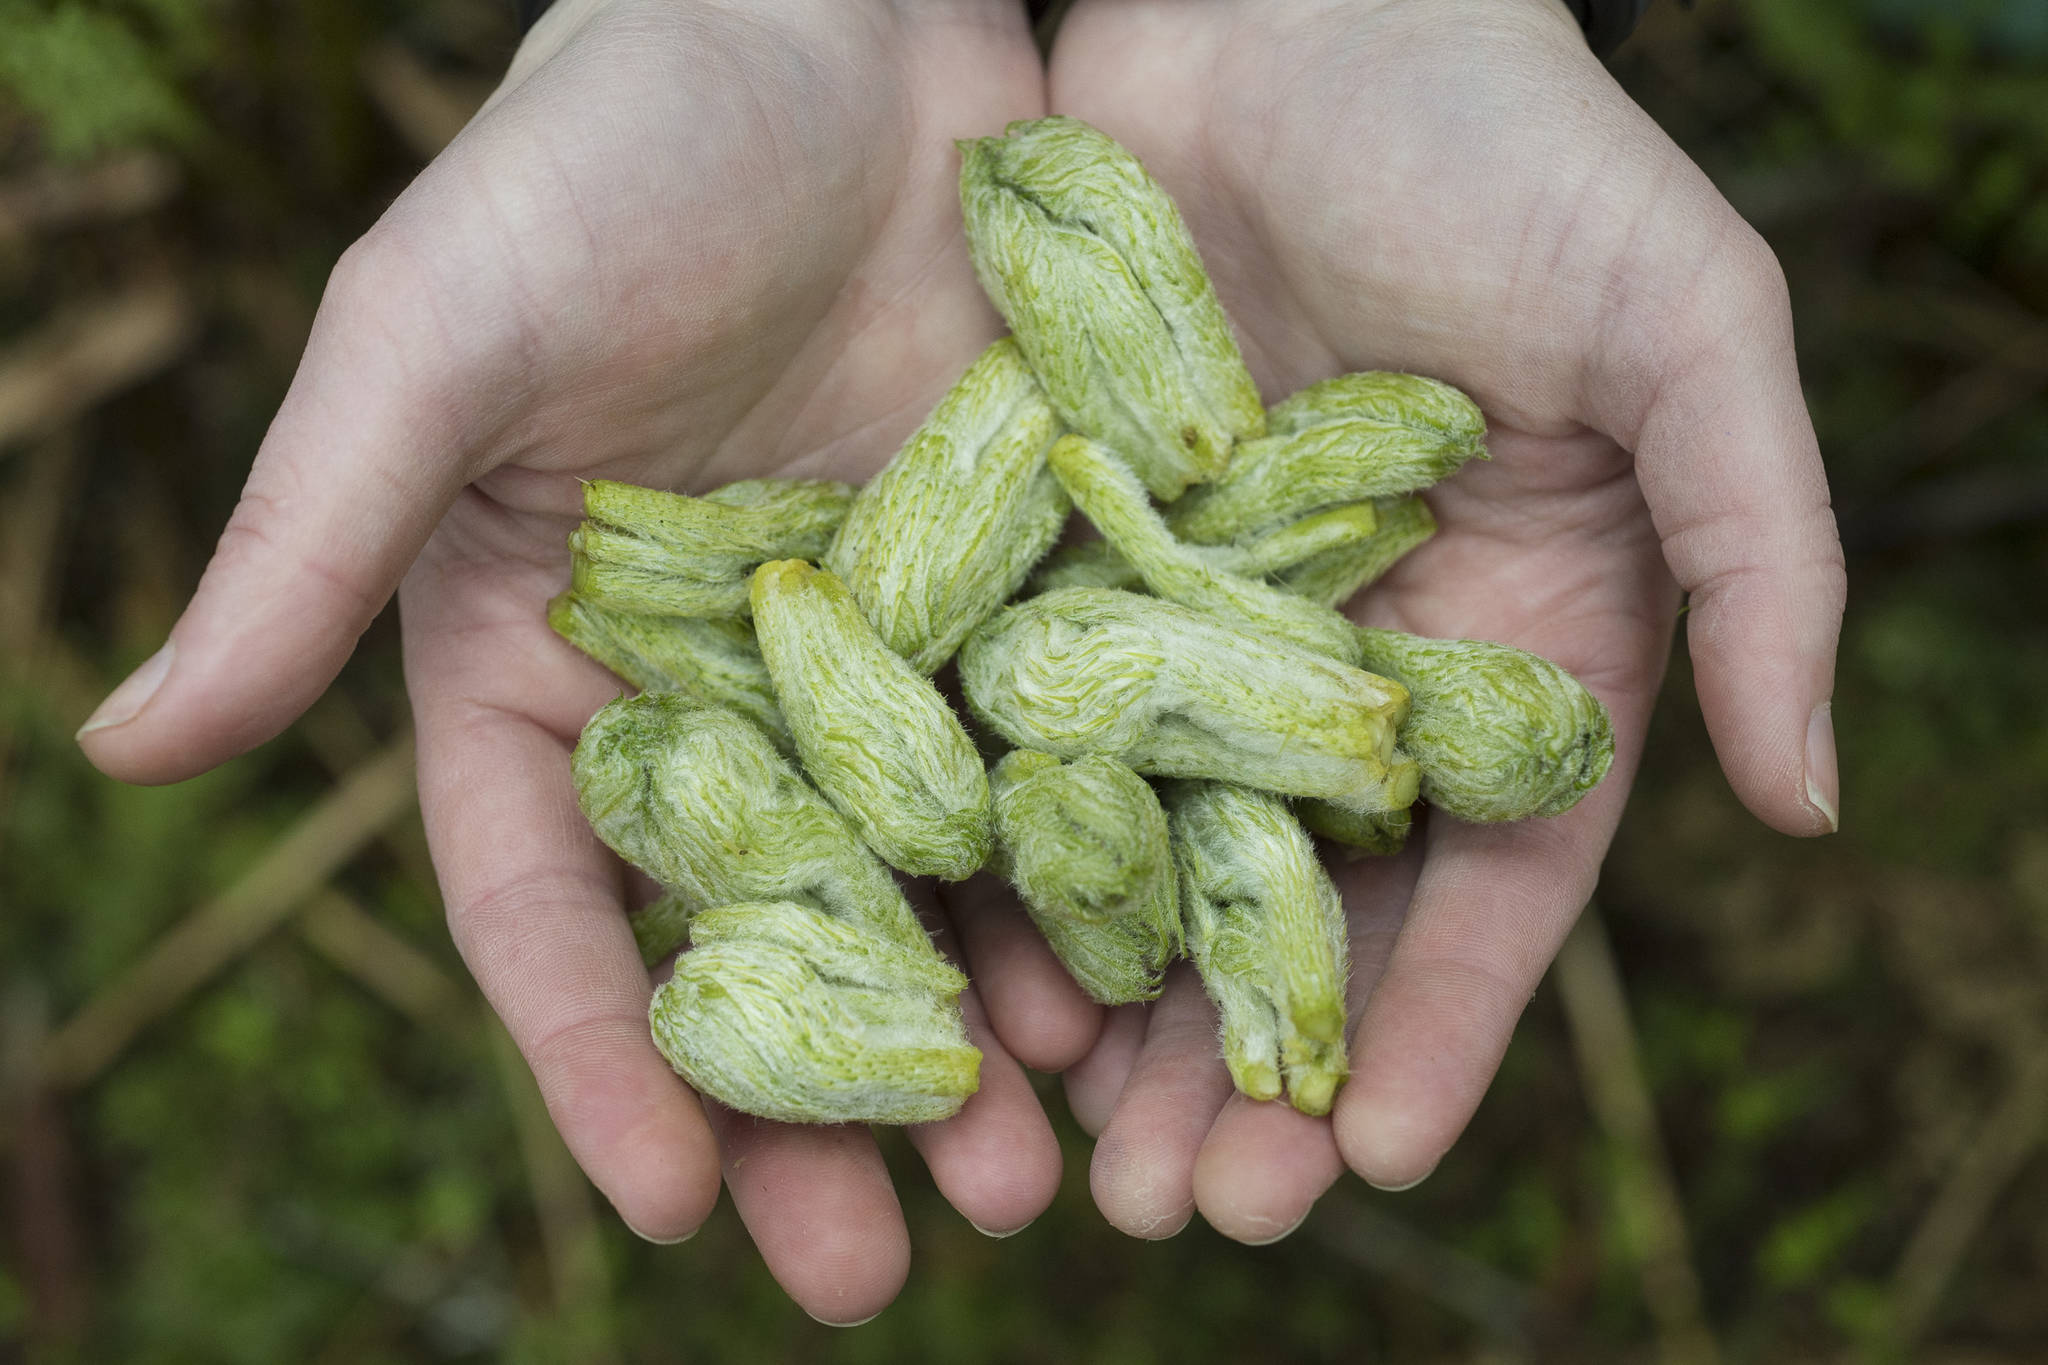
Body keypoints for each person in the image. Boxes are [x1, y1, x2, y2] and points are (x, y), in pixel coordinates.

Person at [72, 0, 1845, 1325]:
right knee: (990, 768)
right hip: (1007, 626)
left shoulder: (1147, 610)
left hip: (1124, 598)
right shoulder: (914, 674)